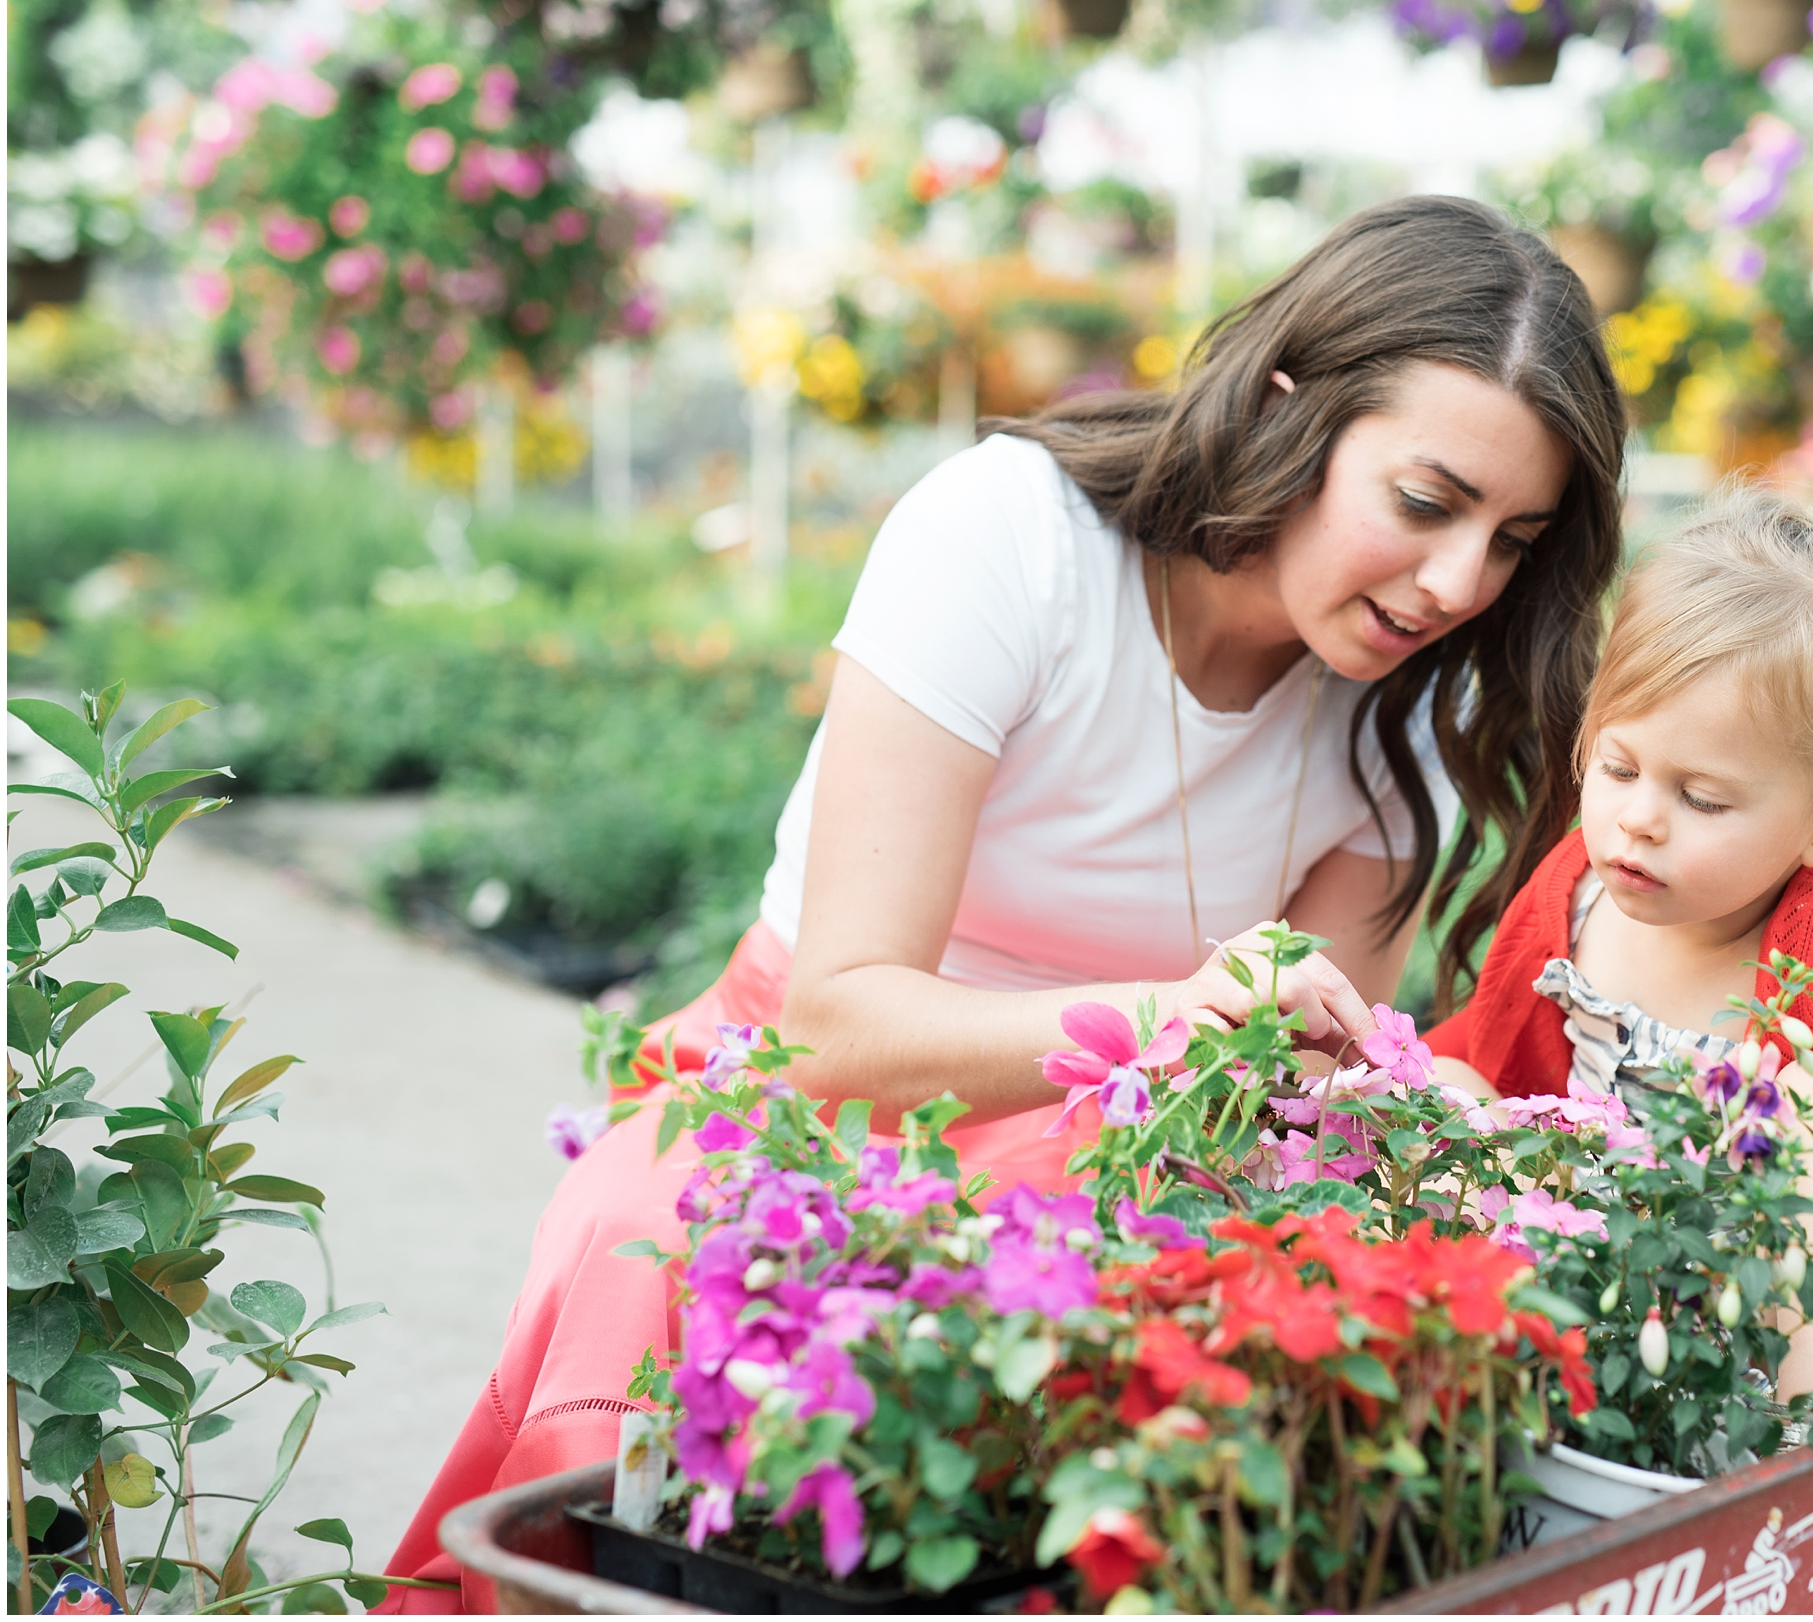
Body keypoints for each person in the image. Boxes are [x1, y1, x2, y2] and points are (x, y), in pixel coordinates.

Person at [378, 195, 1629, 1609]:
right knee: (649, 1247)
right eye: (1425, 502)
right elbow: (833, 1029)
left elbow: (1290, 1101)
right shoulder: (1011, 540)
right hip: (807, 1105)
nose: (1461, 582)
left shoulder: (1403, 725)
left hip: (1116, 1155)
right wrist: (1173, 1017)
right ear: (1293, 405)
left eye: (1516, 539)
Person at [1423, 488, 1813, 1416]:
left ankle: (1801, 1459)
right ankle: (1501, 1383)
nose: (1639, 819)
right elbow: (1488, 1049)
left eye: (1704, 800)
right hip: (1604, 1296)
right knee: (1451, 1091)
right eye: (1618, 767)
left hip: (1774, 1325)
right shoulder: (1573, 894)